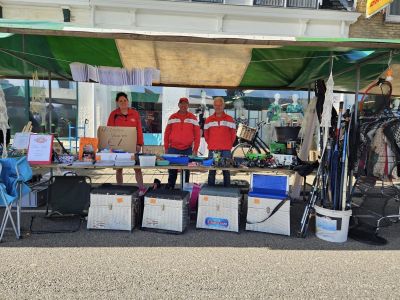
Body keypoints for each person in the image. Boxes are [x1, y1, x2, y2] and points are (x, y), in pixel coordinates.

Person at [107, 92, 146, 194]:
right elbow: (109, 131)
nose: (123, 102)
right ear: (117, 102)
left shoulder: (135, 113)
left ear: (128, 101)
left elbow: (139, 130)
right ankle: (120, 189)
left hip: (133, 146)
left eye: (125, 100)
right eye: (121, 101)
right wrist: (110, 146)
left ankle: (141, 188)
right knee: (119, 168)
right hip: (118, 146)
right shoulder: (113, 114)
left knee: (137, 168)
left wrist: (139, 144)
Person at [164, 97, 200, 189]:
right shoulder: (172, 117)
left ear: (188, 105)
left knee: (186, 172)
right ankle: (170, 189)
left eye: (185, 104)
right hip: (173, 149)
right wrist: (166, 147)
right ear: (178, 105)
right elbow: (167, 133)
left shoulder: (193, 117)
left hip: (187, 149)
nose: (183, 105)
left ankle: (185, 191)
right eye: (182, 103)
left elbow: (197, 135)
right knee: (172, 172)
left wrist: (195, 149)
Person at [204, 97, 236, 186]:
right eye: (216, 105)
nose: (218, 107)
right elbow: (206, 135)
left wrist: (228, 145)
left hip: (226, 150)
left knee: (226, 172)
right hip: (213, 149)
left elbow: (233, 135)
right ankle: (210, 192)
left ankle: (227, 193)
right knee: (212, 172)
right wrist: (212, 143)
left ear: (223, 106)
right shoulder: (208, 119)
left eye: (220, 105)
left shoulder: (230, 119)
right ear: (213, 106)